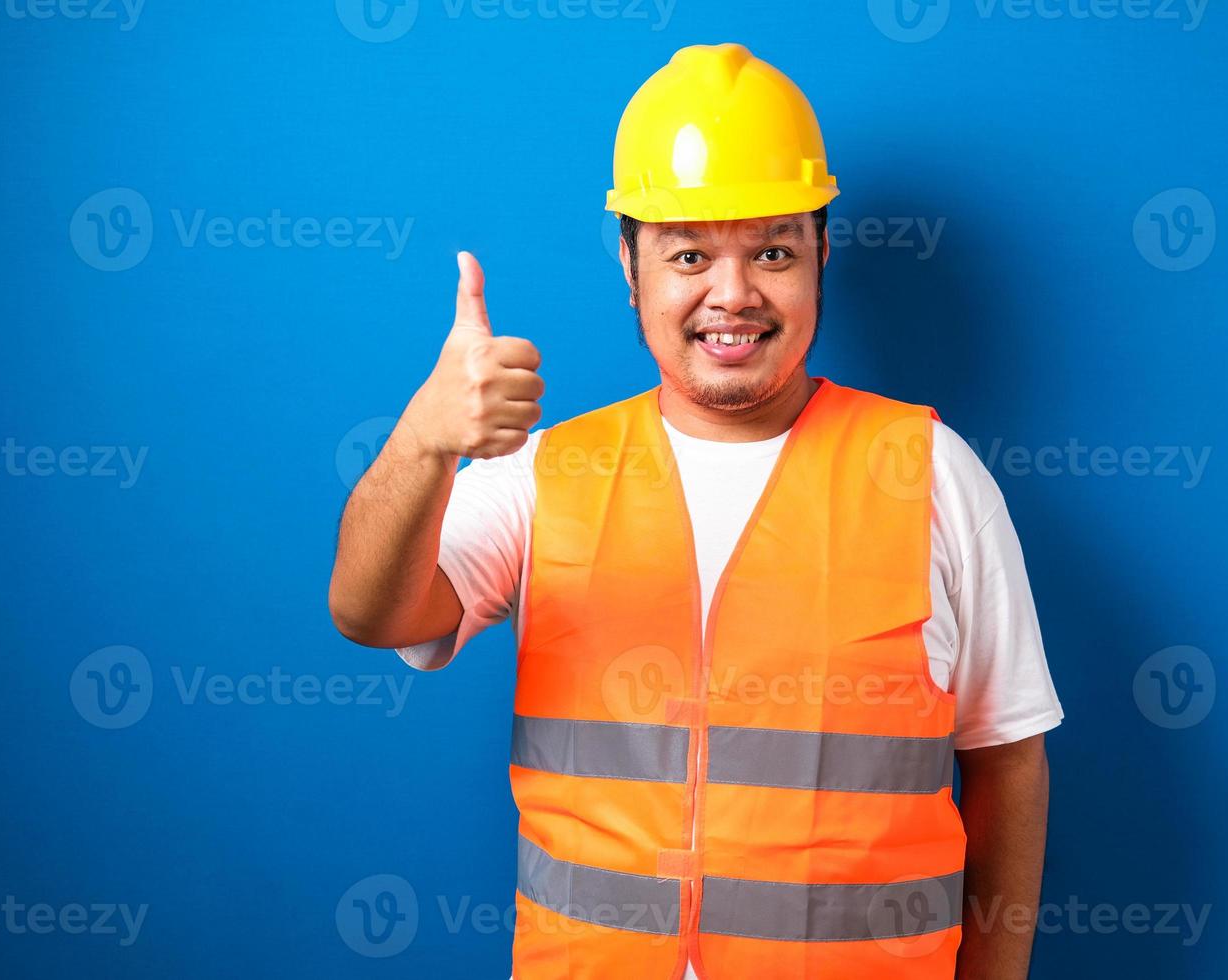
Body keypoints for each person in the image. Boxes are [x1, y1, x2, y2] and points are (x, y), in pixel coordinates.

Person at [329, 42, 1063, 980]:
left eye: (772, 250)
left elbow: (1007, 761)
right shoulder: (550, 473)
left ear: (821, 255)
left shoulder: (929, 471)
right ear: (631, 266)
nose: (734, 295)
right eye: (688, 254)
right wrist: (422, 443)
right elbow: (370, 613)